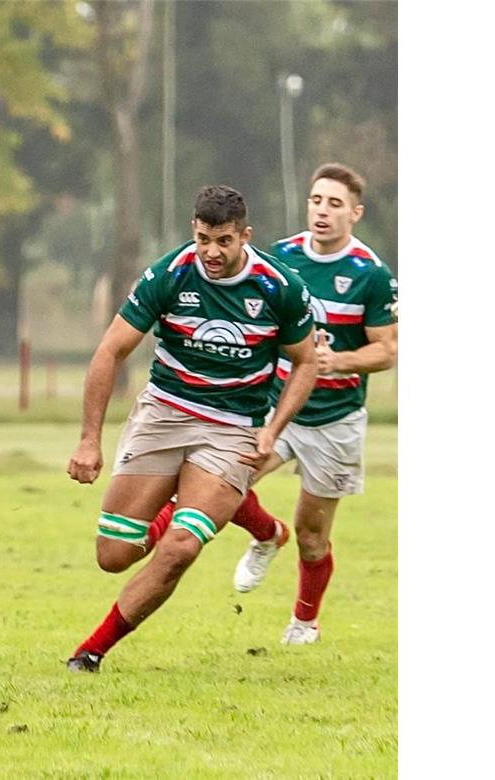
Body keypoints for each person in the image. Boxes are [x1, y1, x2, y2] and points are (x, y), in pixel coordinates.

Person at [64, 185, 318, 673]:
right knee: (113, 554)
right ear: (193, 231)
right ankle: (229, 515)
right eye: (203, 239)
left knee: (180, 546)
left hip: (233, 428)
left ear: (245, 235)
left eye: (224, 241)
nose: (211, 252)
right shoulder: (170, 273)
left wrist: (272, 430)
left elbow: (306, 361)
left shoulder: (278, 286)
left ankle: (90, 652)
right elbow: (110, 351)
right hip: (164, 413)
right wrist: (89, 439)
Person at [155, 163, 398, 645]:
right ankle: (267, 534)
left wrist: (337, 362)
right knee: (222, 483)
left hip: (335, 420)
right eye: (316, 200)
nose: (322, 211)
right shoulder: (282, 259)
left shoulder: (371, 274)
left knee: (313, 536)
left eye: (334, 204)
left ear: (355, 213)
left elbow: (388, 351)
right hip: (274, 409)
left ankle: (304, 622)